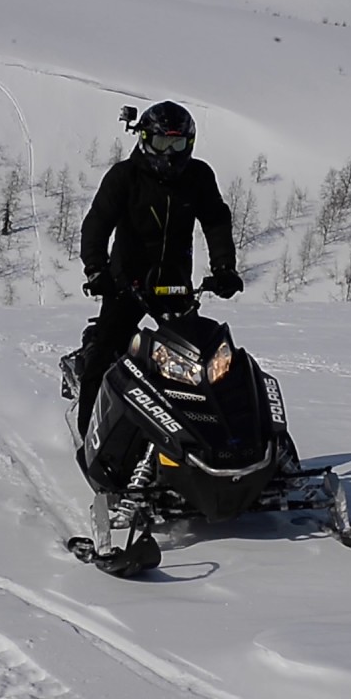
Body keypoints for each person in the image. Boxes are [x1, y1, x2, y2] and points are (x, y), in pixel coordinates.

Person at [74, 100, 243, 465]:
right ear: (145, 140)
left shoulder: (198, 176)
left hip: (177, 284)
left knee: (200, 363)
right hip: (125, 284)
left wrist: (225, 268)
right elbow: (97, 224)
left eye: (177, 145)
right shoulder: (125, 177)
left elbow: (215, 220)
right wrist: (97, 270)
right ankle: (90, 439)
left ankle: (204, 442)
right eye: (162, 144)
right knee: (105, 355)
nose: (169, 154)